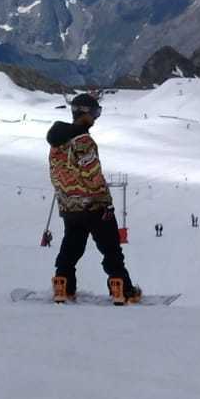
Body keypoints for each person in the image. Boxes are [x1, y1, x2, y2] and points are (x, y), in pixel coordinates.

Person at [47, 93, 141, 303]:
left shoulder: (56, 143)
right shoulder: (84, 142)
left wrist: (66, 197)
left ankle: (63, 285)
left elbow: (55, 174)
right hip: (93, 205)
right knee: (111, 249)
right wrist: (105, 201)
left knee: (71, 247)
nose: (97, 118)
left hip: (69, 206)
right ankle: (122, 290)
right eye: (95, 113)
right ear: (85, 113)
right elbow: (93, 175)